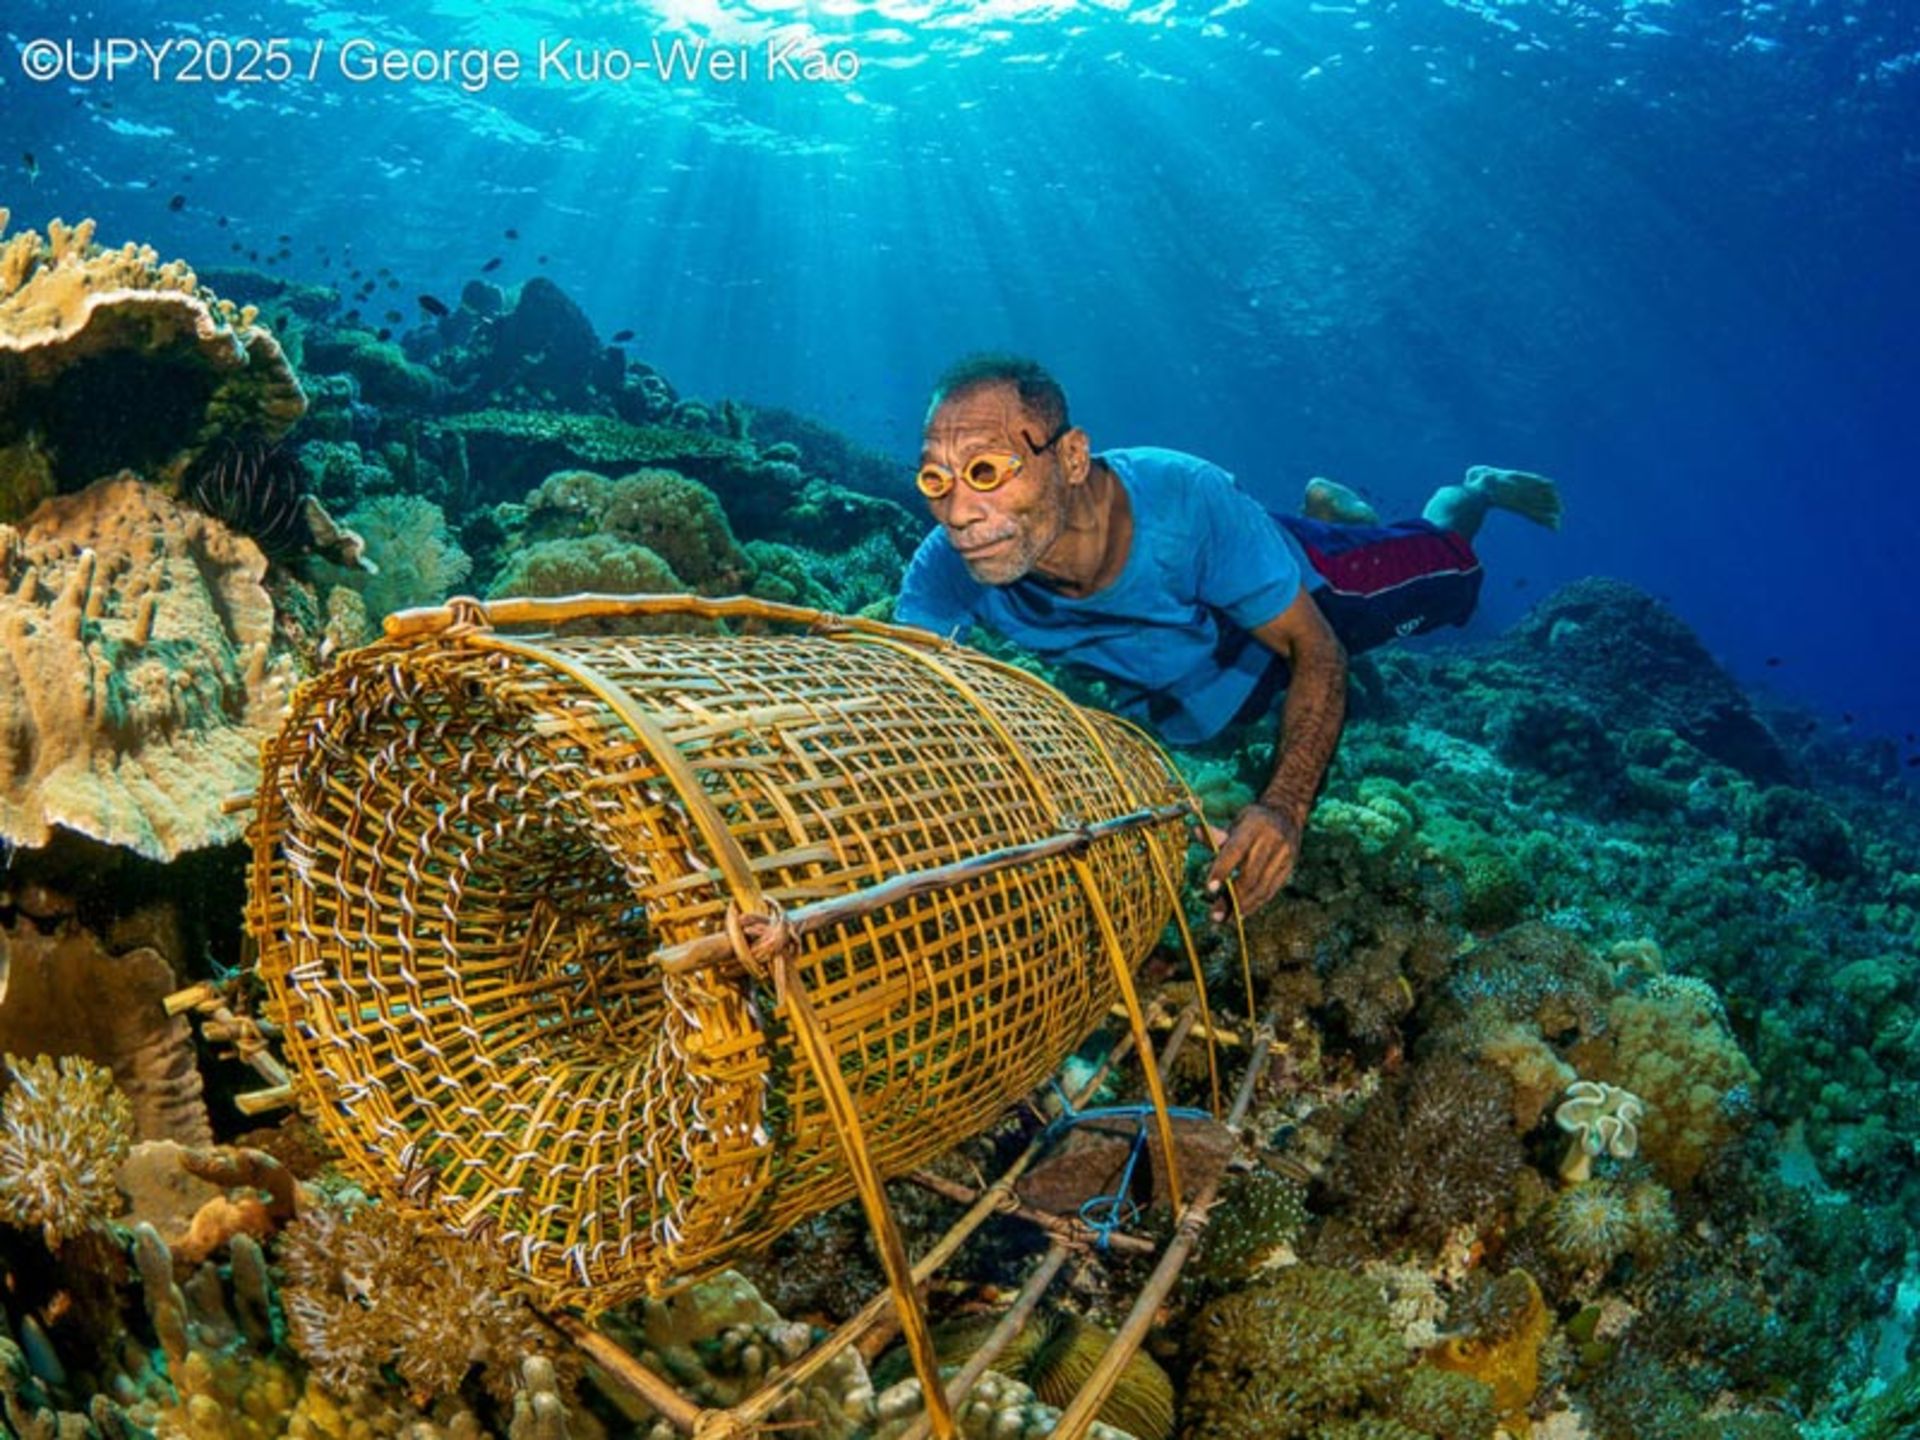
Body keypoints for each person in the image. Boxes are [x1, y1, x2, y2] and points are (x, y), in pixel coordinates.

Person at [894, 355, 1562, 921]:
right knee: (1238, 629)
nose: (958, 512)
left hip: (1306, 596)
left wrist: (1284, 810)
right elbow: (910, 698)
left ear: (1071, 457)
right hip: (1203, 682)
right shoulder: (949, 570)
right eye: (935, 478)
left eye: (986, 472)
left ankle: (1470, 491)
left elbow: (1316, 650)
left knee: (1449, 568)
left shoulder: (1185, 503)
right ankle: (1327, 513)